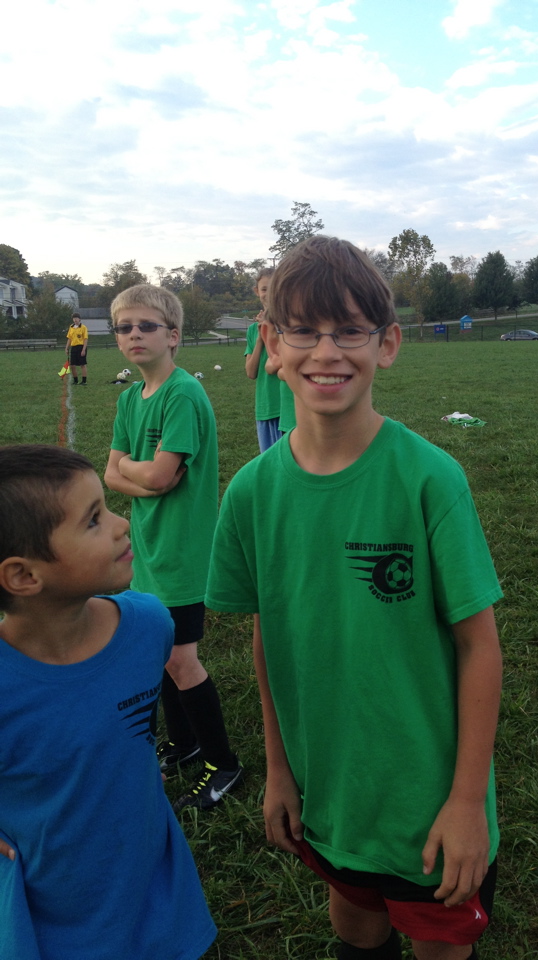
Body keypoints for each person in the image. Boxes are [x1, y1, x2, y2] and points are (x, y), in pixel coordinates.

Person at [206, 237, 503, 960]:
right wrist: (279, 769)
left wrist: (467, 802)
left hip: (427, 804)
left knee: (439, 946)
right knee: (355, 928)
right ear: (271, 344)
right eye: (303, 331)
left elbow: (479, 645)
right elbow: (268, 637)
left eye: (348, 331)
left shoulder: (430, 479)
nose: (326, 352)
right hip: (329, 797)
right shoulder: (250, 493)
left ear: (387, 344)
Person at [0, 444, 217, 960]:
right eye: (94, 520)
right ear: (24, 576)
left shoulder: (149, 625)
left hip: (158, 892)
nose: (122, 525)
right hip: (55, 913)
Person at [104, 284, 242, 813]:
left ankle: (223, 764)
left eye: (147, 326)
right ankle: (185, 744)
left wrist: (136, 473)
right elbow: (114, 474)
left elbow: (161, 476)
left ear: (174, 336)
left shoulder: (182, 394)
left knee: (183, 660)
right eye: (124, 328)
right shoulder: (128, 398)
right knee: (160, 650)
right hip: (149, 546)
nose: (134, 335)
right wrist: (140, 476)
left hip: (182, 550)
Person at [245, 268, 282, 452]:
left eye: (274, 287)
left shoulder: (288, 325)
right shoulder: (253, 330)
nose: (268, 294)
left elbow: (277, 364)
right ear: (257, 291)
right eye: (264, 289)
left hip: (287, 408)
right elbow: (251, 372)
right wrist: (261, 338)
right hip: (265, 408)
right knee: (268, 463)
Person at [65, 311, 88, 384]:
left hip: (81, 347)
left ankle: (84, 381)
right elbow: (69, 338)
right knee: (72, 365)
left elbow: (85, 339)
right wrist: (67, 348)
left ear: (79, 319)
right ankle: (75, 380)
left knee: (82, 364)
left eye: (76, 318)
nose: (75, 320)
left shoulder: (83, 327)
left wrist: (83, 349)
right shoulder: (71, 327)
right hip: (73, 347)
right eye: (74, 318)